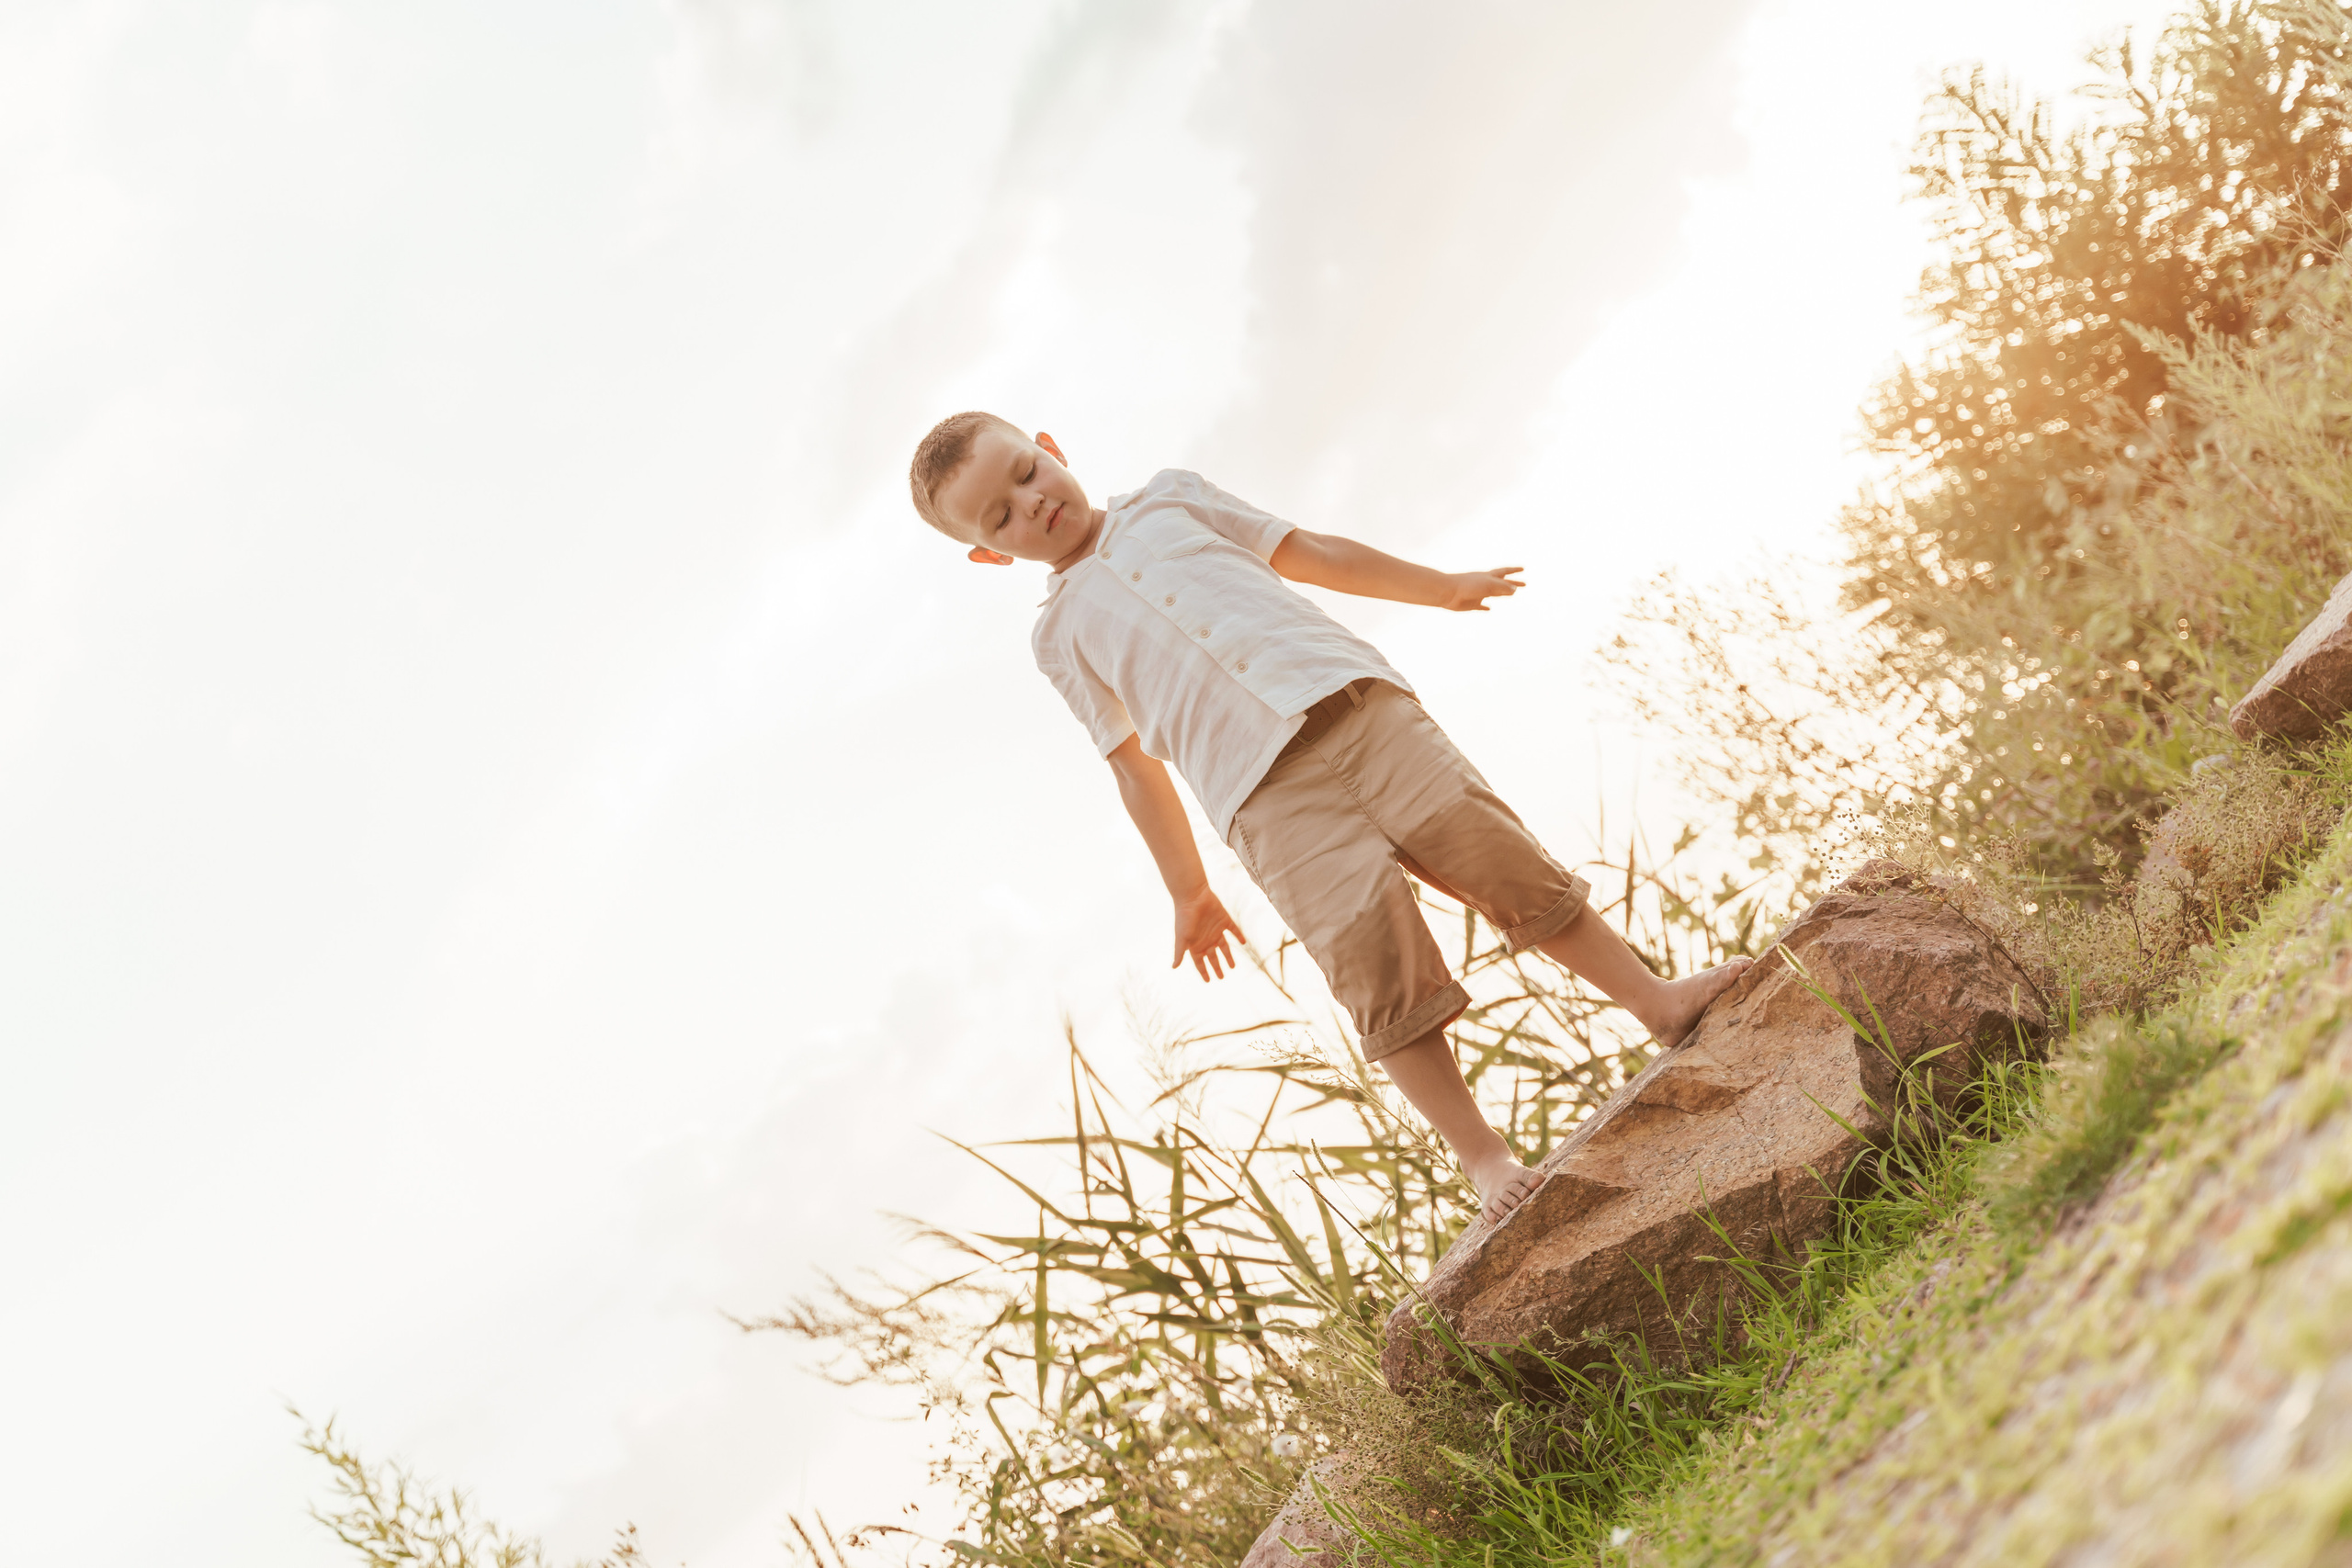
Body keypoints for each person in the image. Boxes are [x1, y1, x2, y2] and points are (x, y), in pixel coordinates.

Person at [910, 412, 1750, 1223]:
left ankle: (1655, 1001)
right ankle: (1484, 1154)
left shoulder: (1171, 497)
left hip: (1357, 708)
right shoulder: (1060, 634)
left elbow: (1308, 551)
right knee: (1370, 956)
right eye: (1003, 516)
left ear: (1049, 446)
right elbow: (1131, 764)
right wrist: (1187, 891)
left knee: (1502, 858)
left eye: (1027, 472)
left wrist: (1441, 588)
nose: (1033, 503)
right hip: (1262, 797)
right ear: (990, 554)